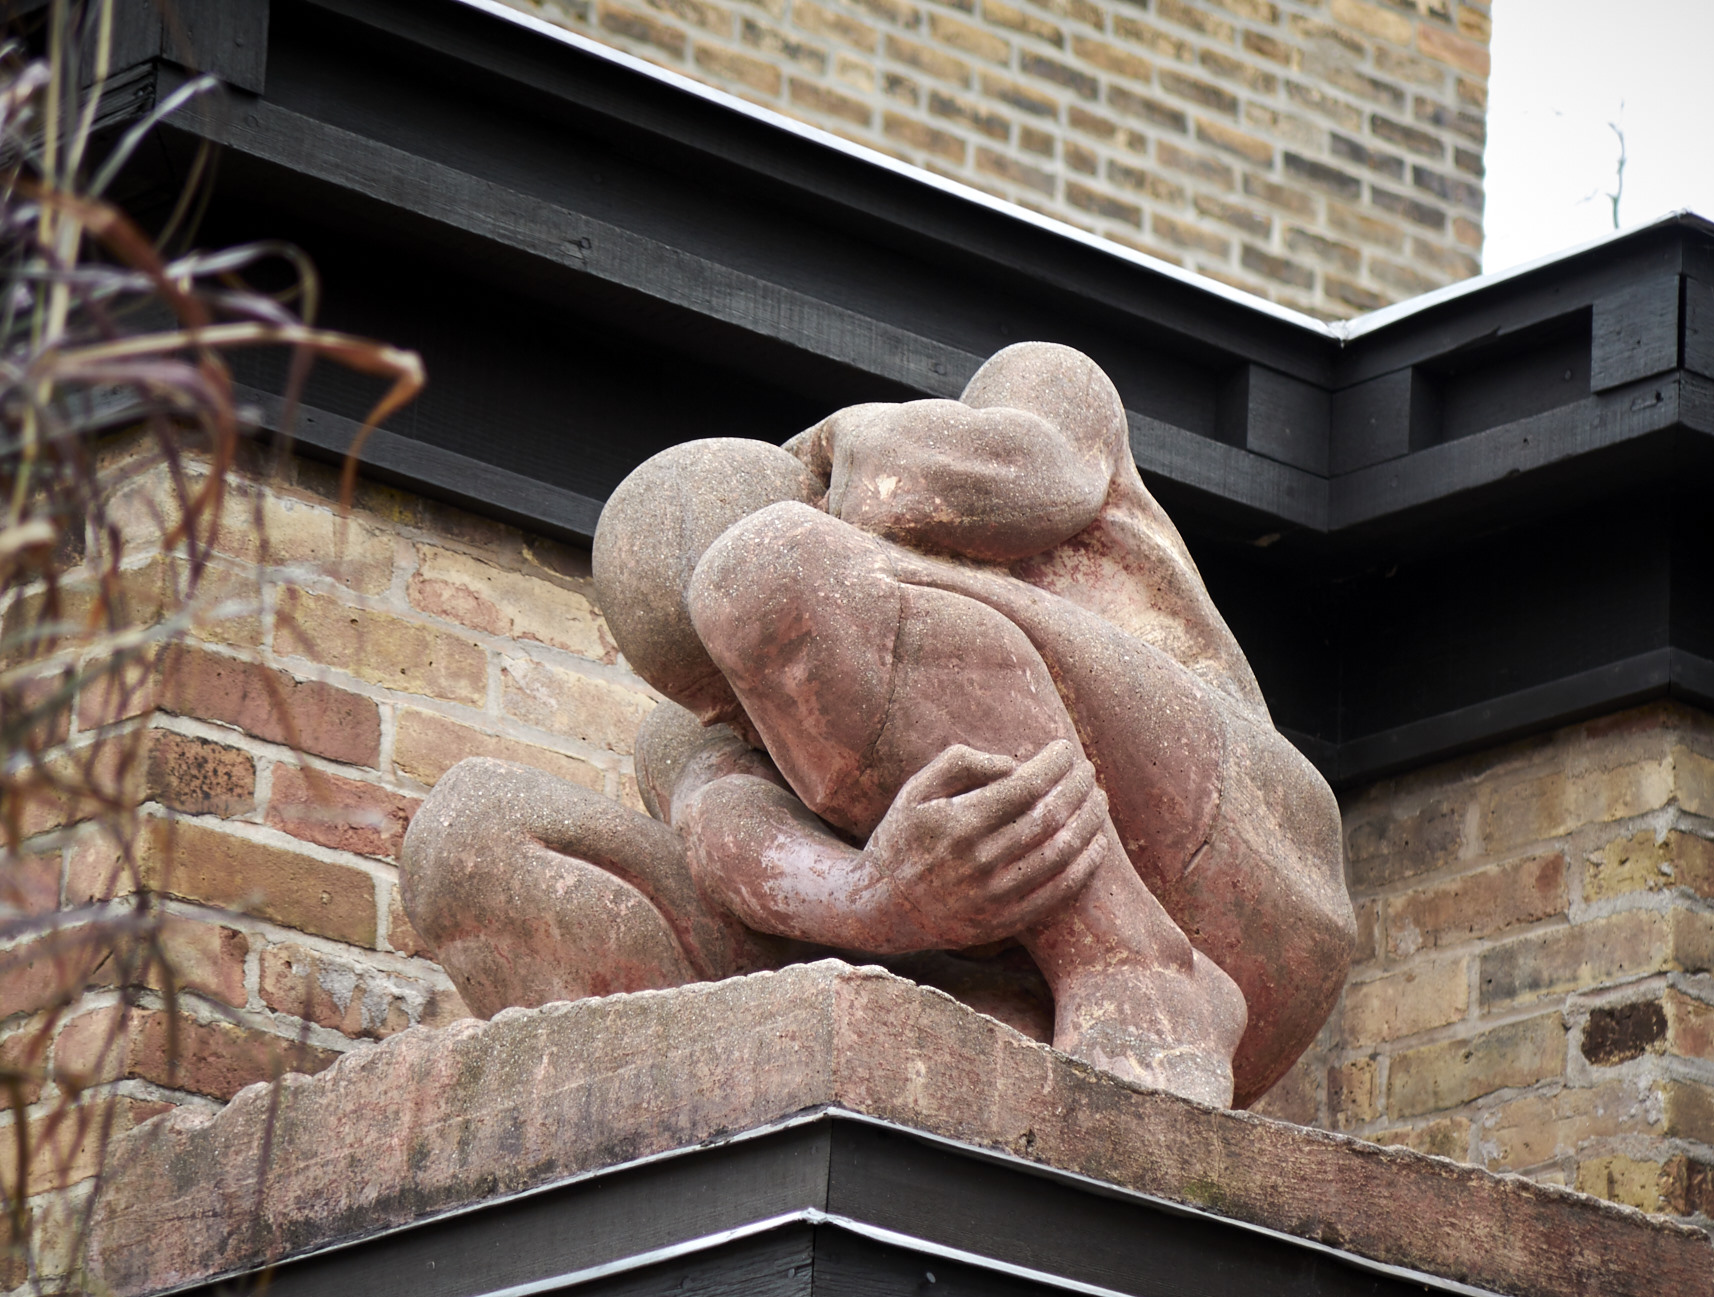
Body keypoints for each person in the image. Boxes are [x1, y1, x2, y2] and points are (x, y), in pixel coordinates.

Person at [401, 344, 1352, 1108]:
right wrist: (875, 897)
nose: (767, 718)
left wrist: (841, 471)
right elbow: (723, 827)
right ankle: (751, 1109)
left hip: (1225, 873)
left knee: (763, 571)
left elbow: (1046, 478)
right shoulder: (700, 734)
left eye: (756, 668)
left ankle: (1133, 963)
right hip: (980, 983)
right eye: (727, 701)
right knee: (467, 832)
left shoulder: (1025, 391)